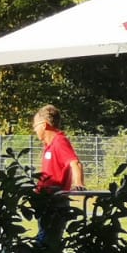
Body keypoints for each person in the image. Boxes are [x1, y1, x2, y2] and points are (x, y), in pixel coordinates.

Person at [32, 104, 85, 243]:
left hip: (56, 203)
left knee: (48, 243)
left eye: (35, 126)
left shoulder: (60, 141)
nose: (34, 130)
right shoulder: (48, 146)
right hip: (45, 202)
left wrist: (78, 183)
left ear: (44, 125)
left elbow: (75, 163)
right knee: (43, 239)